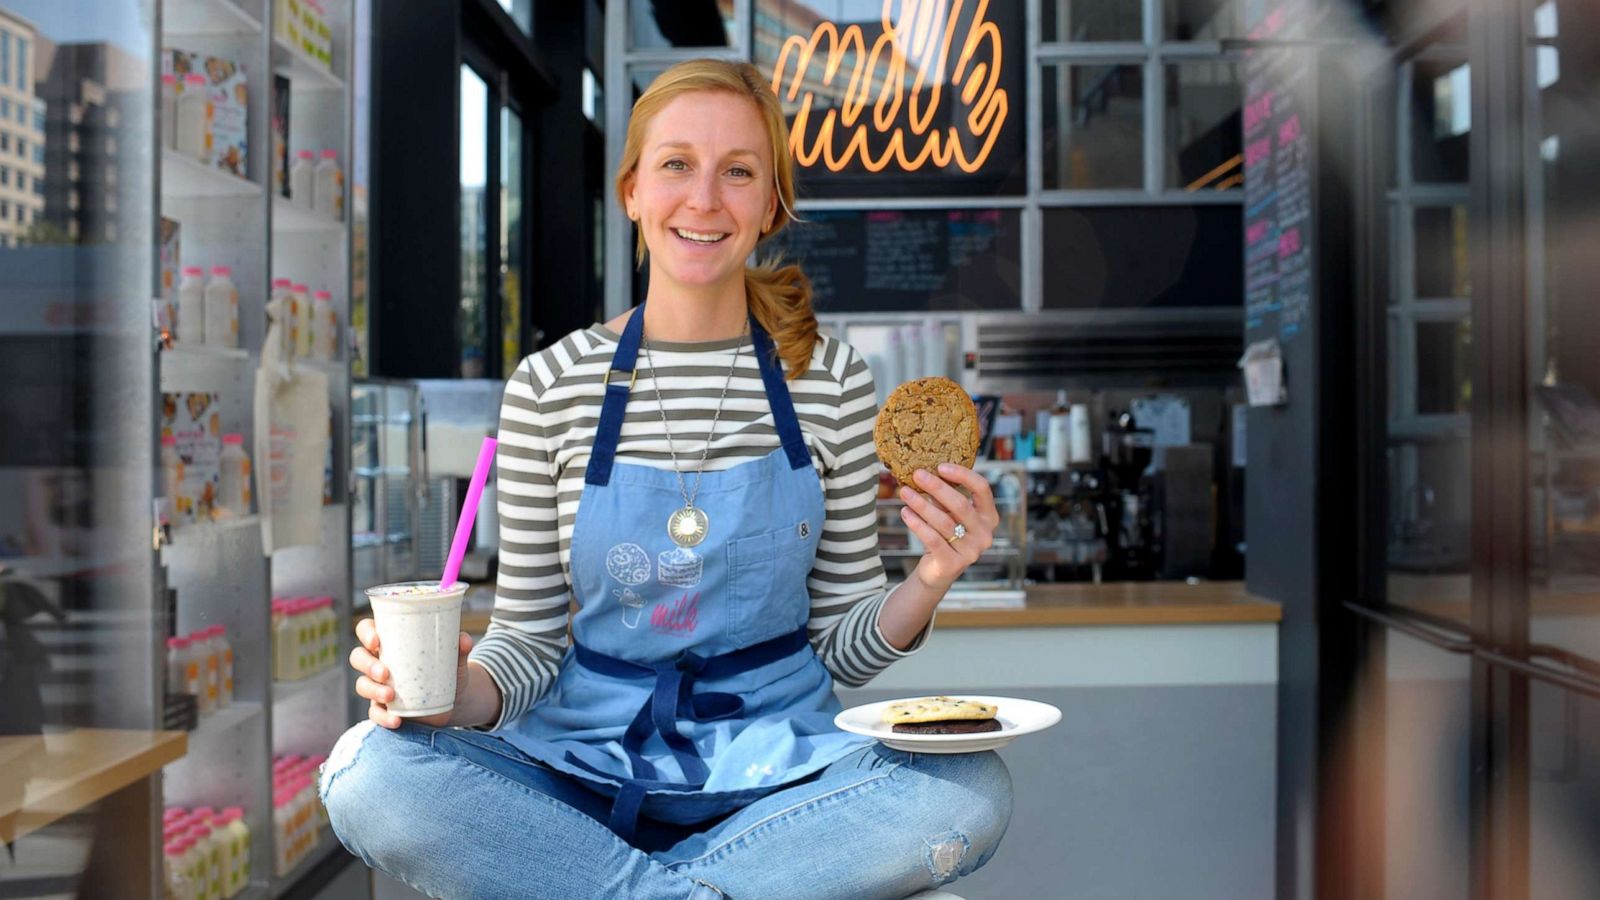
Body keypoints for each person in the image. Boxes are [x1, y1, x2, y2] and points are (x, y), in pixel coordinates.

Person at [320, 59, 1012, 900]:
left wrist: (934, 574)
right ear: (633, 192)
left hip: (783, 775)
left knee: (970, 789)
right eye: (677, 164)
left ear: (771, 205)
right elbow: (530, 643)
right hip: (578, 772)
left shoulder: (829, 381)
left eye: (739, 172)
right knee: (367, 770)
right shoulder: (551, 384)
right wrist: (449, 694)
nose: (705, 199)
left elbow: (846, 646)